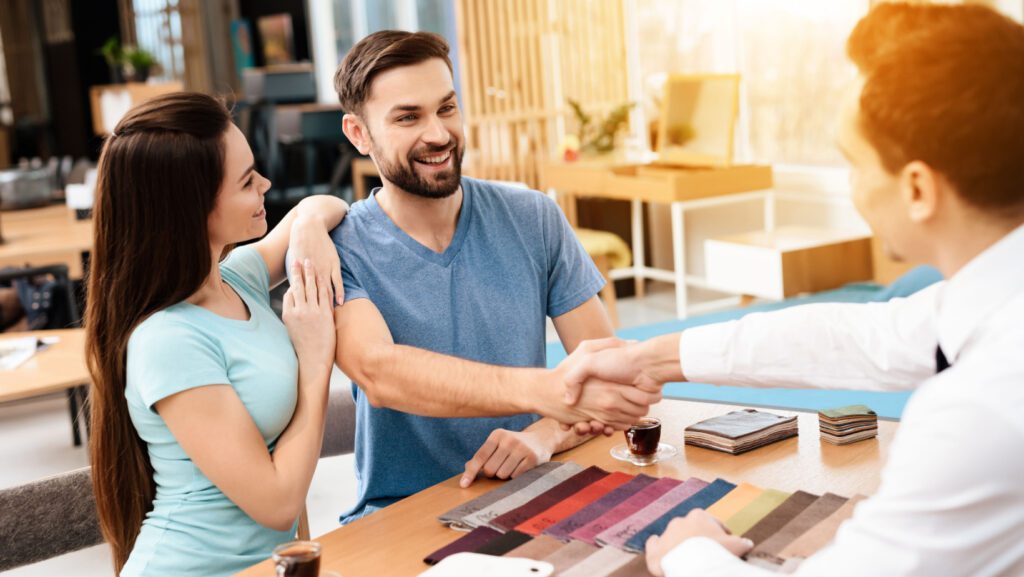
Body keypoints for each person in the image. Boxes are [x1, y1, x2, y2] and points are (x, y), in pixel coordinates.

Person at [563, 4, 1024, 575]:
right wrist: (649, 358)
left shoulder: (977, 410)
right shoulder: (995, 300)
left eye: (854, 164)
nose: (854, 186)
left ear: (918, 189)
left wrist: (690, 556)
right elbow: (862, 337)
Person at [328, 30, 661, 523]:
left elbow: (607, 379)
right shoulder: (338, 248)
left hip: (535, 493)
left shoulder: (533, 217)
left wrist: (543, 434)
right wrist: (544, 392)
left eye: (446, 108)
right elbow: (381, 373)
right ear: (358, 134)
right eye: (407, 117)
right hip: (404, 515)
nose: (439, 134)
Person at [85, 92, 349, 576]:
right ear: (191, 209)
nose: (267, 185)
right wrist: (315, 366)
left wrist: (310, 222)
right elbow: (277, 503)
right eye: (248, 182)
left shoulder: (236, 279)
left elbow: (325, 204)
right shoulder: (169, 341)